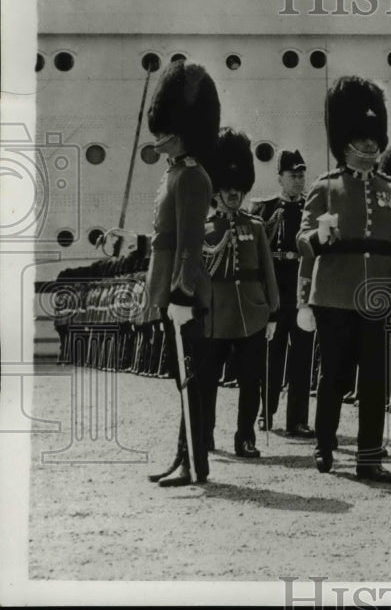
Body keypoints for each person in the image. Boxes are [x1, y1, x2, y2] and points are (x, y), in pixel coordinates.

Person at [297, 76, 391, 483]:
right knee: (335, 376)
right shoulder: (324, 187)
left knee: (376, 379)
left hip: (376, 296)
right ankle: (325, 444)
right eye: (361, 140)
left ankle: (369, 457)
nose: (370, 148)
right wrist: (317, 238)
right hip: (335, 294)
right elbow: (302, 238)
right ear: (344, 142)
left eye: (373, 140)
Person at [144, 60, 220, 487]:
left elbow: (190, 242)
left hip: (182, 291)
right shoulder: (174, 173)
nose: (160, 136)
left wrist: (181, 292)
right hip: (169, 285)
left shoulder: (191, 176)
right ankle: (183, 457)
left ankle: (195, 464)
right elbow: (165, 237)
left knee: (190, 378)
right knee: (182, 379)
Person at [201, 129, 279, 458]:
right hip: (215, 315)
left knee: (251, 382)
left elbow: (266, 271)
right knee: (206, 381)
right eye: (228, 189)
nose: (234, 194)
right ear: (216, 191)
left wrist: (272, 311)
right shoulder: (203, 229)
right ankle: (204, 435)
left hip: (251, 314)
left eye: (238, 189)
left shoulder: (256, 226)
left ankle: (246, 437)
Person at [249, 150, 314, 437]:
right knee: (272, 355)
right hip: (276, 290)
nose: (298, 181)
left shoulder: (312, 210)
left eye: (301, 175)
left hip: (301, 290)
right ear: (280, 178)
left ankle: (298, 420)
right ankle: (267, 411)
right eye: (293, 176)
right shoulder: (265, 209)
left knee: (302, 356)